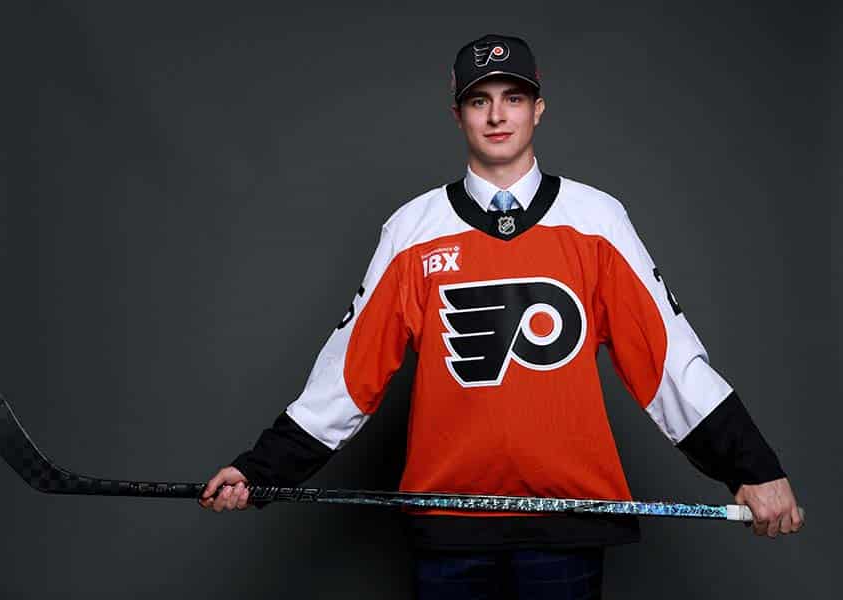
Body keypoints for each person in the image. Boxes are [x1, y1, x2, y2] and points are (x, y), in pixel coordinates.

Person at [199, 33, 804, 598]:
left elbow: (667, 362)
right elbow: (349, 376)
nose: (496, 116)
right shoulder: (412, 231)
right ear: (457, 113)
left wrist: (751, 467)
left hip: (568, 522)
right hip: (450, 527)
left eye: (513, 98)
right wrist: (261, 471)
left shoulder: (597, 221)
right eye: (479, 101)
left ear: (538, 108)